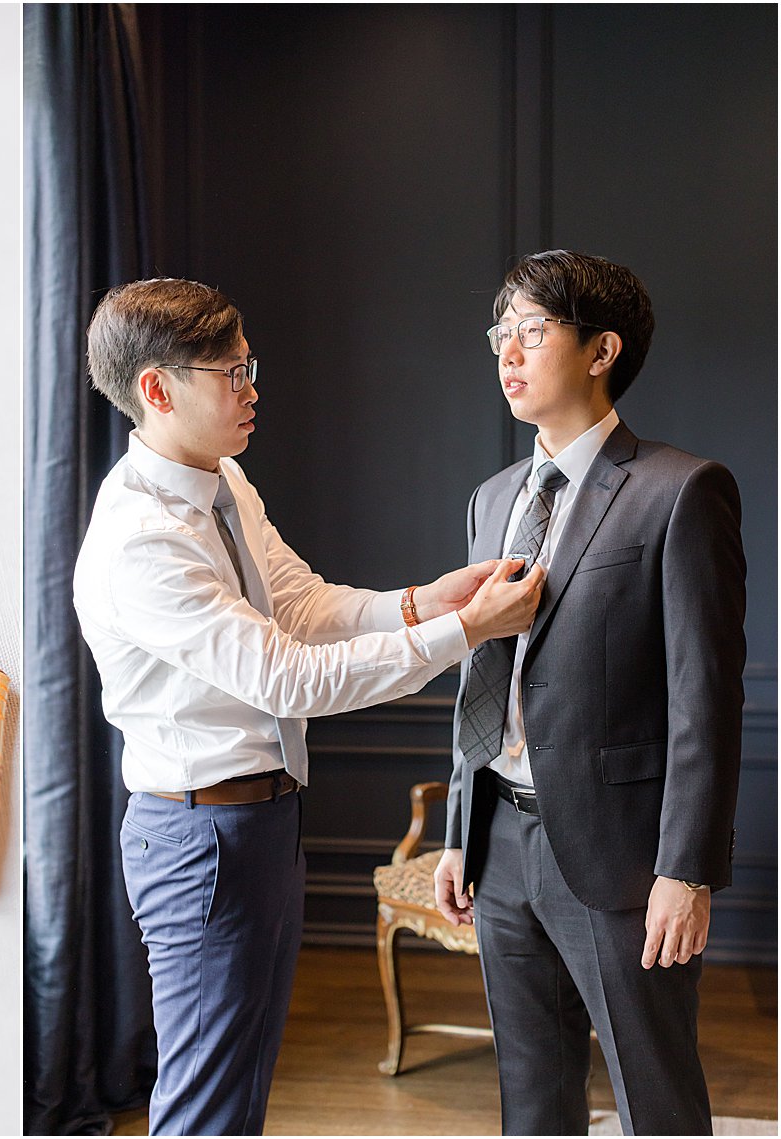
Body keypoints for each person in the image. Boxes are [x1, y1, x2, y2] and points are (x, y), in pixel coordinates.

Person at [72, 278, 545, 1136]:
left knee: (240, 1085)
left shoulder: (223, 482)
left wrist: (426, 602)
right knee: (208, 1102)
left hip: (259, 824)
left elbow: (299, 603)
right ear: (155, 388)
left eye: (251, 364)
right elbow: (288, 677)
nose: (253, 388)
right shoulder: (143, 540)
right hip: (200, 840)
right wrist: (468, 633)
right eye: (232, 371)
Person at [434, 250, 745, 1135]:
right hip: (499, 840)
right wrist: (461, 830)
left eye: (533, 331)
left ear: (602, 349)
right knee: (530, 1096)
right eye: (501, 334)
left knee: (657, 1096)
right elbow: (481, 674)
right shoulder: (491, 500)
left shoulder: (680, 491)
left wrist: (685, 869)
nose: (508, 353)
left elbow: (706, 700)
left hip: (622, 857)